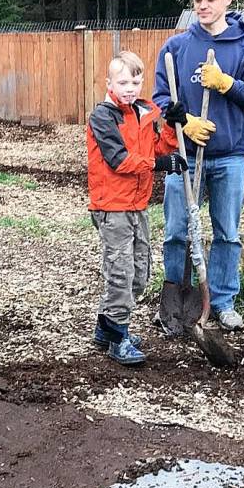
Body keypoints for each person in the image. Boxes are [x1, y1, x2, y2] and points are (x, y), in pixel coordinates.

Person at [153, 0, 244, 333]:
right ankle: (176, 300)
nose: (203, 6)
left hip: (231, 154)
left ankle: (222, 301)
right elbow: (161, 98)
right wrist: (184, 121)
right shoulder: (177, 47)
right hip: (185, 157)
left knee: (227, 233)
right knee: (176, 229)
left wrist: (226, 83)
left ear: (228, 0)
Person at [87, 51, 188, 366]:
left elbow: (158, 148)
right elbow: (119, 160)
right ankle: (119, 338)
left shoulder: (143, 112)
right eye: (122, 82)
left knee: (139, 273)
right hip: (112, 206)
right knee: (121, 272)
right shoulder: (103, 117)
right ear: (109, 83)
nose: (129, 87)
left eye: (135, 81)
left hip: (137, 205)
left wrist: (171, 126)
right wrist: (160, 164)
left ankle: (105, 329)